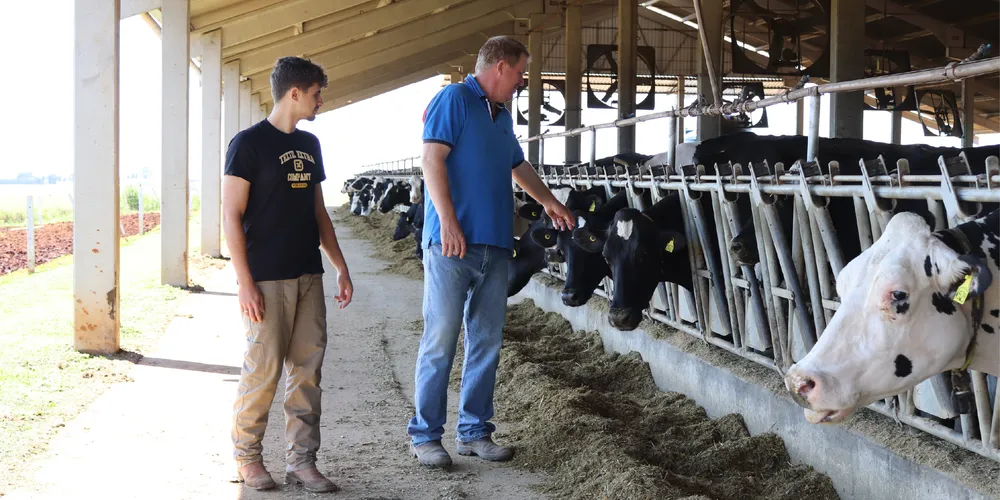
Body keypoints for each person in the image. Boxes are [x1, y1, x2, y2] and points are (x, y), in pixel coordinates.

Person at [407, 36, 576, 467]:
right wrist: (447, 221)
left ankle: (474, 432)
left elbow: (517, 165)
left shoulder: (501, 115)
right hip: (451, 245)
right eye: (520, 73)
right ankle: (425, 437)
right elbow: (431, 160)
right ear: (500, 66)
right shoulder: (455, 98)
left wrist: (549, 201)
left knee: (487, 341)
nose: (521, 82)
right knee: (441, 339)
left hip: (496, 244)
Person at [223, 56, 353, 493]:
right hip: (265, 277)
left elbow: (318, 211)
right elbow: (230, 214)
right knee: (263, 371)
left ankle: (302, 461)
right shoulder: (248, 144)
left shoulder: (311, 144)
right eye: (316, 93)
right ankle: (248, 458)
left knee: (307, 372)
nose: (321, 100)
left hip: (307, 274)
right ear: (294, 93)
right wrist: (245, 282)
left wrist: (340, 266)